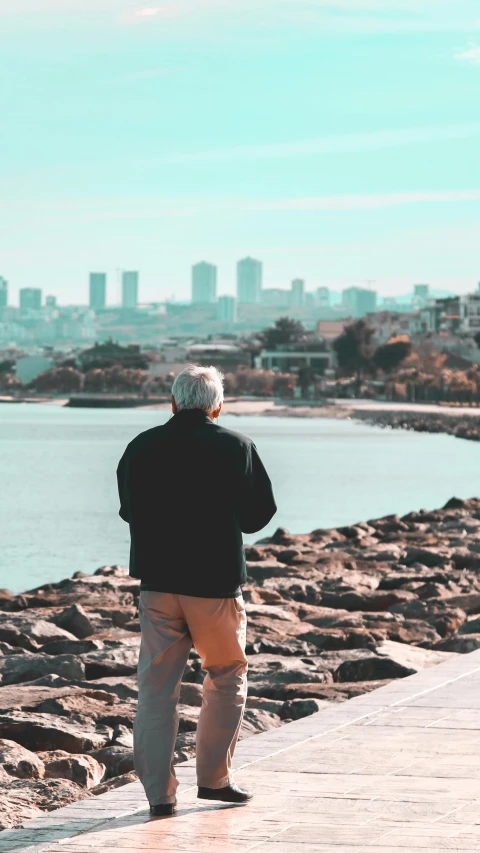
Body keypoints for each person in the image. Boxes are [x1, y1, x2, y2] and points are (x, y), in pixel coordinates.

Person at [116, 365, 277, 816]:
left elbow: (129, 510)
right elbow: (257, 516)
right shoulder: (237, 446)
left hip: (159, 584)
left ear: (173, 402)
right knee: (226, 677)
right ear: (217, 404)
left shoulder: (141, 446)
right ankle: (214, 780)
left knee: (155, 690)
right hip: (215, 585)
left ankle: (159, 795)